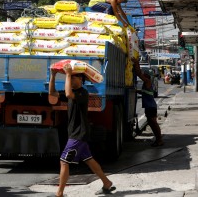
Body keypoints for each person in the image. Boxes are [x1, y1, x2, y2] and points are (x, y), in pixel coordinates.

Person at [49, 63, 116, 197]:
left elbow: (68, 94)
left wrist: (68, 74)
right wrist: (53, 75)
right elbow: (52, 93)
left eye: (74, 77)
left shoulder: (82, 93)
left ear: (81, 79)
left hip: (78, 134)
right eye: (71, 77)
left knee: (64, 161)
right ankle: (107, 183)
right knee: (89, 159)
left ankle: (59, 194)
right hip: (78, 134)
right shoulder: (72, 92)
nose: (72, 79)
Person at [132, 57, 163, 147]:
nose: (143, 75)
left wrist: (137, 63)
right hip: (149, 106)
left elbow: (139, 74)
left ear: (147, 76)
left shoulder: (148, 81)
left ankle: (159, 140)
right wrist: (137, 91)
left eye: (145, 75)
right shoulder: (148, 83)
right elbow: (145, 92)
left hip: (151, 107)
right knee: (151, 122)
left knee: (153, 123)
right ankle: (158, 139)